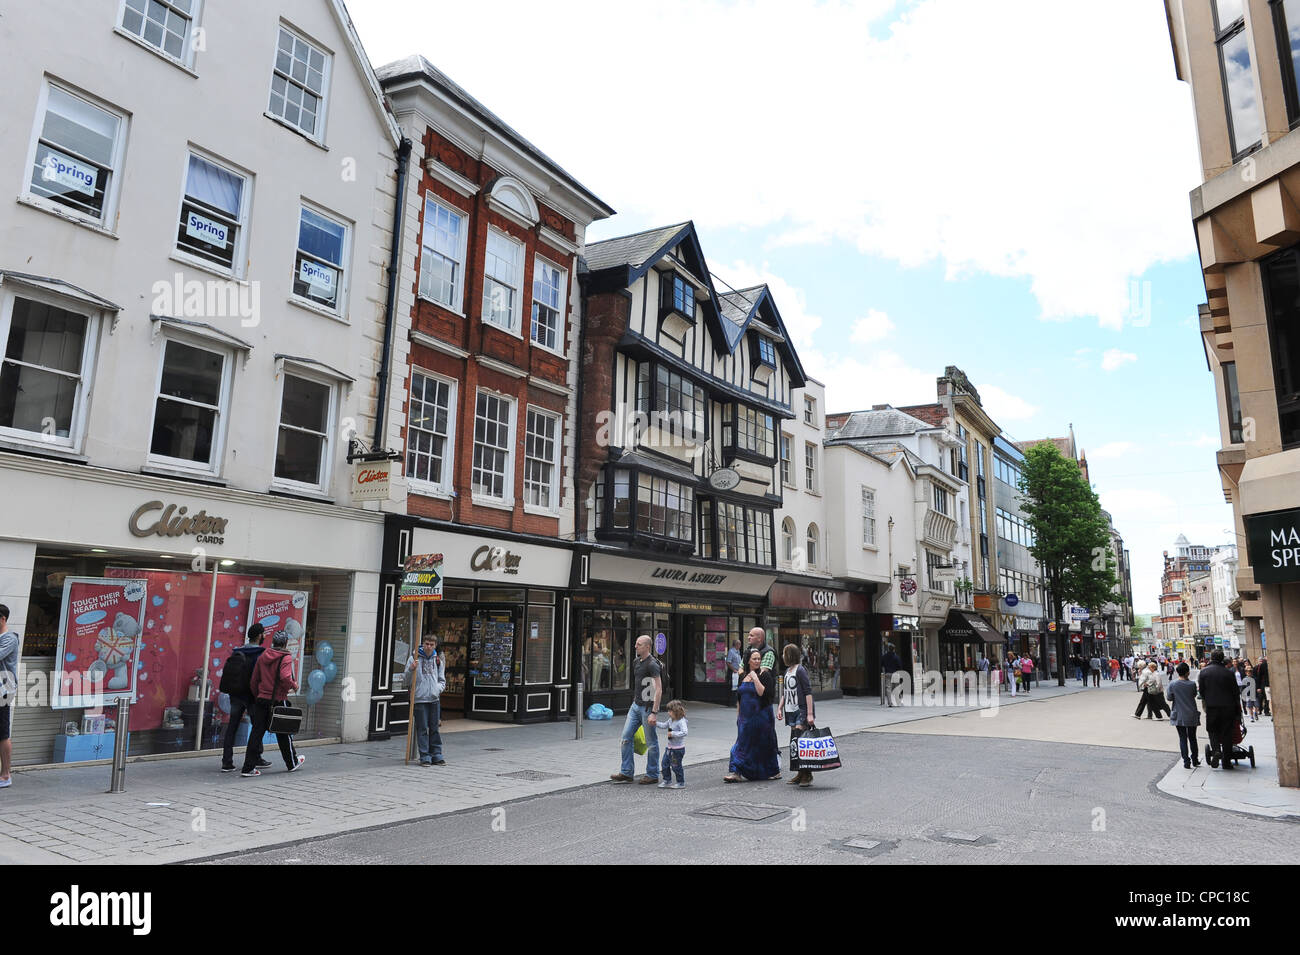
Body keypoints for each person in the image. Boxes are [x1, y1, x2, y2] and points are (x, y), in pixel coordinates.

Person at [240, 632, 303, 777]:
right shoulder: (285, 657)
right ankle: (291, 763)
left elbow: (254, 681)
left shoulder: (263, 656)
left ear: (273, 642)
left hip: (262, 699)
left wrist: (259, 695)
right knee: (284, 732)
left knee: (256, 733)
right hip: (278, 700)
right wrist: (294, 685)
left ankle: (248, 768)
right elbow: (285, 677)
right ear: (285, 643)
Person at [610, 635, 662, 784]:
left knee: (651, 742)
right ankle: (626, 772)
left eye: (638, 644)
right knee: (626, 738)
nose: (635, 646)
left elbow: (658, 689)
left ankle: (652, 774)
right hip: (635, 706)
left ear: (647, 646)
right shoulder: (636, 662)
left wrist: (654, 712)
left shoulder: (652, 664)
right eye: (636, 643)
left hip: (647, 708)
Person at [220, 622, 271, 773]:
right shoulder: (260, 654)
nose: (265, 636)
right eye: (264, 633)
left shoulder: (237, 652)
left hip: (235, 694)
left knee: (232, 727)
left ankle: (226, 761)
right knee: (258, 727)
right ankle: (256, 757)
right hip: (251, 695)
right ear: (259, 635)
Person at [725, 649, 780, 782]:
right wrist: (738, 716)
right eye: (754, 659)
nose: (757, 661)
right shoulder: (742, 676)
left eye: (759, 659)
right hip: (745, 718)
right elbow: (739, 697)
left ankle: (772, 771)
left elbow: (763, 693)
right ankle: (736, 772)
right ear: (748, 660)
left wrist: (755, 678)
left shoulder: (764, 675)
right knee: (741, 744)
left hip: (762, 716)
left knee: (764, 744)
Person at [406, 633, 447, 766]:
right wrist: (411, 669)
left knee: (434, 728)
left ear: (435, 645)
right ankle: (425, 756)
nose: (429, 647)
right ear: (423, 644)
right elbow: (406, 680)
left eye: (431, 644)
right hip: (419, 699)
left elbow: (442, 679)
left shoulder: (438, 659)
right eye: (427, 644)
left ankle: (437, 754)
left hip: (434, 699)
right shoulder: (414, 657)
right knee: (422, 728)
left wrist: (437, 689)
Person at [1198, 650, 1241, 771]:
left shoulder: (1204, 672)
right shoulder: (1228, 673)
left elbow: (1201, 691)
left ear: (1211, 657)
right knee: (1227, 733)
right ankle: (1227, 762)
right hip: (1228, 707)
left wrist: (1208, 700)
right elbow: (1235, 692)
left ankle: (1216, 750)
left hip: (1212, 707)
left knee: (1212, 731)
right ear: (1222, 659)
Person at [781, 644, 816, 788]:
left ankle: (807, 774)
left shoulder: (800, 670)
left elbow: (808, 692)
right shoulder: (788, 671)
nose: (783, 656)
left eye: (784, 653)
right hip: (791, 712)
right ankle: (800, 772)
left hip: (800, 711)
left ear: (790, 655)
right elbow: (785, 692)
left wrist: (809, 714)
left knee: (802, 743)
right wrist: (779, 707)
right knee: (795, 743)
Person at [1166, 662, 1201, 769]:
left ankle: (1186, 761)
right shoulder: (1192, 684)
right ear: (1188, 672)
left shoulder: (1173, 684)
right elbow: (1194, 695)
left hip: (1178, 713)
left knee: (1182, 738)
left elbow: (1169, 698)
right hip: (1191, 713)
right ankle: (1195, 759)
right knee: (1192, 737)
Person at [0, 604, 19, 789]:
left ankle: (5, 775)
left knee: (2, 733)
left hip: (3, 690)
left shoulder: (10, 639)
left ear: (3, 619)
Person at [658, 700, 688, 789]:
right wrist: (655, 723)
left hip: (677, 750)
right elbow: (664, 725)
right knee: (664, 764)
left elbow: (684, 732)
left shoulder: (681, 721)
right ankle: (667, 780)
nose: (668, 713)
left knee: (676, 766)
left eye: (670, 711)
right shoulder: (671, 720)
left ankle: (680, 782)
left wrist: (673, 734)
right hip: (669, 748)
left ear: (676, 711)